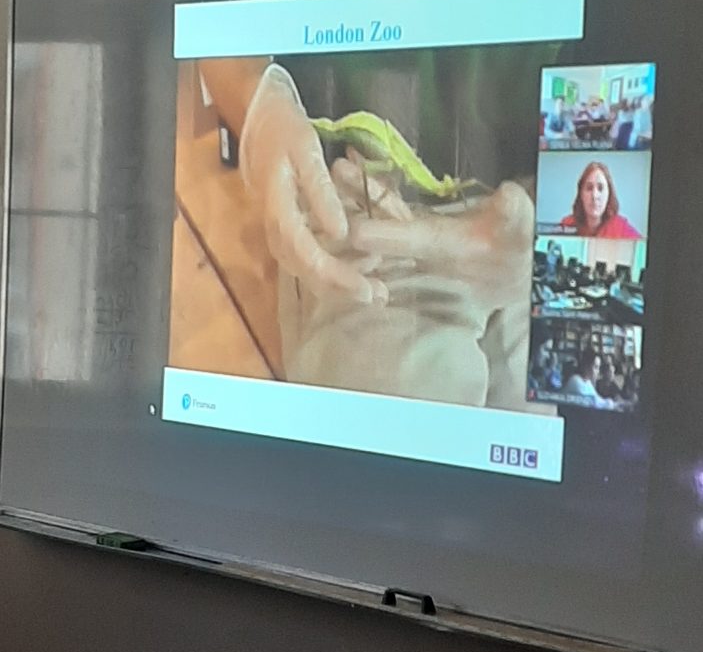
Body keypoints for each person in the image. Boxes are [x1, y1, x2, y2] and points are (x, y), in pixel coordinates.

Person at [195, 57, 549, 413]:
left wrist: (551, 249)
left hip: (535, 213)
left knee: (540, 410)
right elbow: (218, 49)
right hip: (362, 206)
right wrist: (260, 109)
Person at [559, 161, 642, 238]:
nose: (594, 196)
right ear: (581, 194)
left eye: (600, 188)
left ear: (609, 194)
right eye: (589, 188)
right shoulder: (567, 224)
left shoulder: (621, 228)